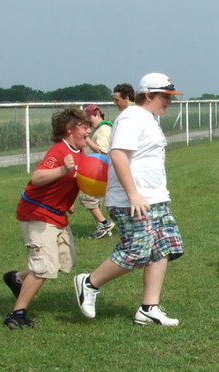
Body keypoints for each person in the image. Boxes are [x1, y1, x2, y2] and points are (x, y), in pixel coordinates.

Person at [74, 73, 185, 327]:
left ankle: (149, 309)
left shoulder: (148, 119)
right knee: (136, 252)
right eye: (165, 96)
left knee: (163, 248)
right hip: (132, 200)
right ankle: (89, 283)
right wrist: (134, 193)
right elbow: (118, 155)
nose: (169, 101)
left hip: (155, 198)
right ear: (148, 95)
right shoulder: (132, 117)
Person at [2, 108, 91, 329]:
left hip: (57, 214)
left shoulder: (80, 151)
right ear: (70, 130)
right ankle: (17, 314)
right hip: (37, 213)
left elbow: (71, 181)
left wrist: (68, 202)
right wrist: (62, 169)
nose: (89, 130)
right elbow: (38, 177)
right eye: (84, 127)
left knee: (64, 261)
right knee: (43, 267)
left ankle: (17, 279)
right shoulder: (59, 151)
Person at [79, 104, 116, 239]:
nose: (89, 121)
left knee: (86, 195)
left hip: (101, 169)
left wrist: (86, 139)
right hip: (101, 169)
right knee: (95, 199)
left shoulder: (103, 129)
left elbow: (101, 151)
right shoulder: (102, 129)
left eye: (90, 117)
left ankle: (105, 224)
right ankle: (102, 228)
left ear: (98, 114)